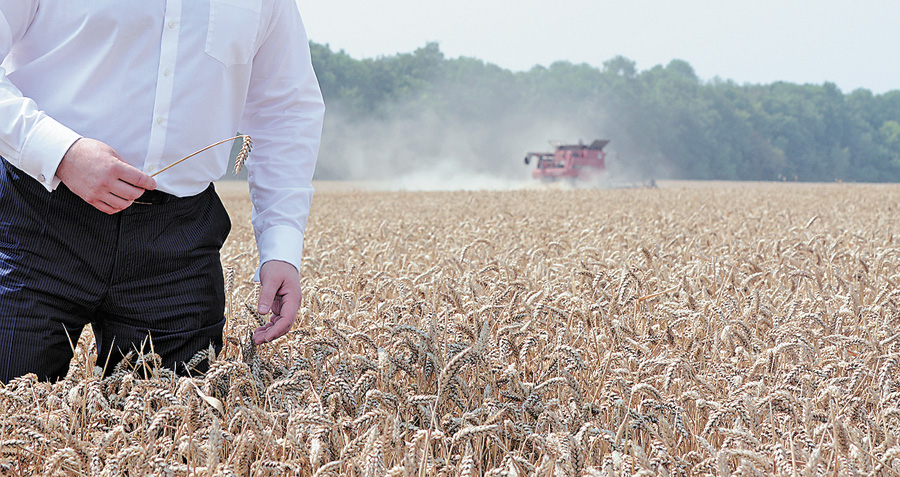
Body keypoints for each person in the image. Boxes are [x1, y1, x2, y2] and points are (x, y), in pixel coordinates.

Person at [0, 0, 324, 383]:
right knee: (13, 420)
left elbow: (285, 110)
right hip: (34, 221)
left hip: (178, 248)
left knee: (171, 434)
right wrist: (61, 153)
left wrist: (281, 246)